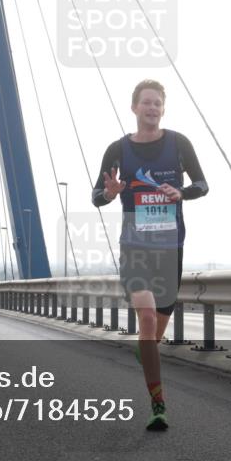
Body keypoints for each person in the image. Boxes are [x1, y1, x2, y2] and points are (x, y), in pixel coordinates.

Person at [92, 79, 208, 431]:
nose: (152, 108)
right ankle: (158, 406)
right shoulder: (117, 149)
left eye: (157, 103)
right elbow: (96, 196)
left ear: (163, 108)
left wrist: (182, 193)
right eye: (146, 103)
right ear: (134, 108)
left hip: (170, 250)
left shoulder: (179, 144)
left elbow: (203, 185)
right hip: (136, 249)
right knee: (145, 320)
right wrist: (110, 194)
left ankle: (148, 352)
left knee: (154, 335)